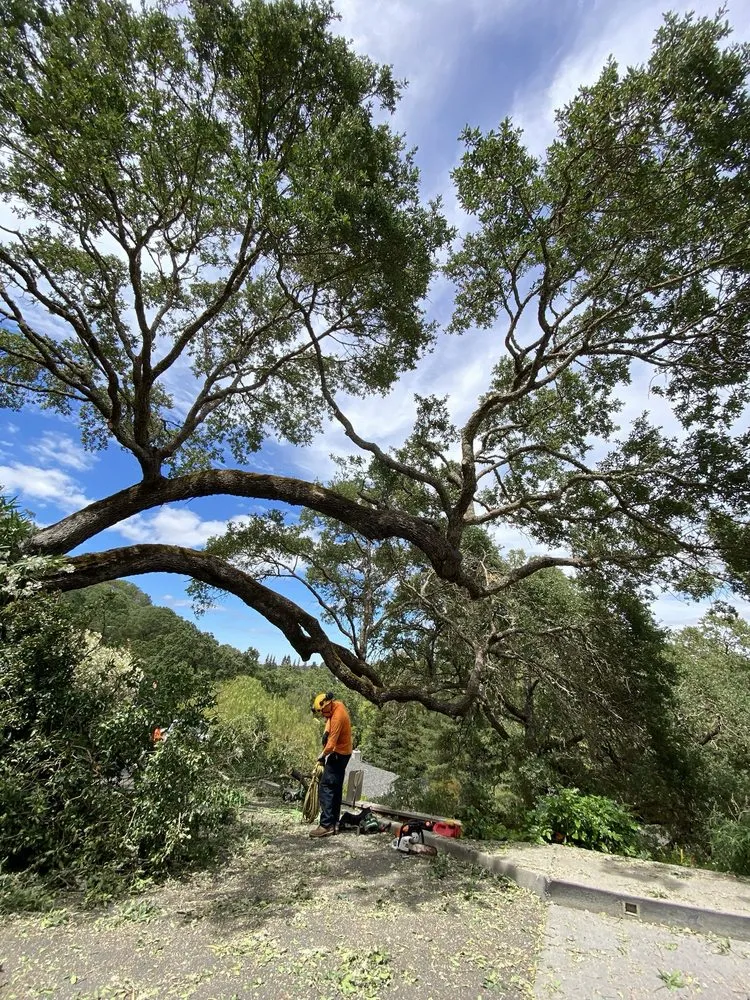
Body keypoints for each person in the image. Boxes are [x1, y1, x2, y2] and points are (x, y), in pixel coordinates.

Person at [308, 691, 352, 838]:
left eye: (322, 712)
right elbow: (329, 721)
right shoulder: (337, 705)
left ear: (326, 706)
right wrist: (326, 732)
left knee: (326, 786)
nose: (322, 715)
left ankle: (326, 825)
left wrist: (321, 756)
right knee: (336, 788)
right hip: (344, 753)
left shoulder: (338, 717)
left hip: (337, 754)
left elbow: (331, 745)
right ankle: (334, 824)